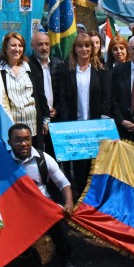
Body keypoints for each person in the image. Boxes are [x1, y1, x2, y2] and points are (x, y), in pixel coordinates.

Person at [8, 123, 79, 267]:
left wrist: (68, 203)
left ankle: (67, 257)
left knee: (60, 229)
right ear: (10, 142)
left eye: (27, 139)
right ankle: (26, 254)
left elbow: (63, 183)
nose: (24, 144)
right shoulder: (4, 162)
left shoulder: (43, 158)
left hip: (43, 206)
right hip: (17, 210)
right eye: (18, 140)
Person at [56, 33, 110, 195]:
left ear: (93, 48)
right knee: (79, 171)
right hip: (76, 130)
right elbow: (63, 98)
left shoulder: (101, 69)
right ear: (75, 49)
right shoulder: (67, 69)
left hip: (96, 129)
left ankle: (95, 204)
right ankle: (80, 202)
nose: (84, 49)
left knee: (96, 170)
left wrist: (103, 122)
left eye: (87, 45)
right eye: (80, 46)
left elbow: (106, 97)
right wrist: (67, 125)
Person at [0, 31, 49, 148]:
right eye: (13, 45)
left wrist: (46, 119)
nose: (17, 49)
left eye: (20, 45)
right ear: (5, 48)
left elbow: (41, 95)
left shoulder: (31, 67)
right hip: (11, 127)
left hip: (33, 126)